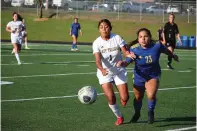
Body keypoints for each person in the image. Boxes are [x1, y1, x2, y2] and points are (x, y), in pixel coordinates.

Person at [116, 28, 179, 124]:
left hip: (153, 75)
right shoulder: (134, 48)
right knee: (138, 97)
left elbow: (167, 51)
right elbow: (128, 61)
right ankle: (137, 113)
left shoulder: (157, 45)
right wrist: (122, 63)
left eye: (145, 36)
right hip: (139, 76)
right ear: (138, 38)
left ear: (149, 37)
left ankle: (150, 112)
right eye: (140, 37)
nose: (143, 39)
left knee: (151, 95)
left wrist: (173, 55)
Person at [92, 19, 136, 126]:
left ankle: (124, 98)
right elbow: (97, 60)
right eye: (101, 27)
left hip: (119, 70)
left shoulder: (117, 37)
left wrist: (128, 55)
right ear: (99, 29)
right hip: (105, 72)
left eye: (106, 26)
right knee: (111, 97)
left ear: (110, 28)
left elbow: (125, 51)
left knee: (125, 98)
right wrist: (102, 69)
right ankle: (119, 116)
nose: (104, 29)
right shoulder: (96, 42)